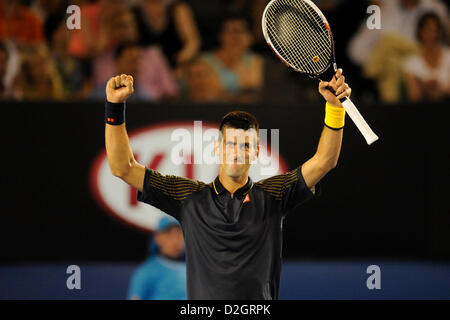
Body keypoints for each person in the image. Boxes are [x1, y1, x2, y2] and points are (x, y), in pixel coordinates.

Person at [104, 68, 351, 299]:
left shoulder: (274, 195)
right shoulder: (188, 197)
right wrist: (114, 106)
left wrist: (334, 107)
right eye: (230, 144)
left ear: (255, 152)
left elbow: (324, 162)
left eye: (245, 145)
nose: (236, 152)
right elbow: (122, 167)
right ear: (217, 149)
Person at [200, 13, 264, 103]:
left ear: (250, 37)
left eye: (241, 31)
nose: (236, 37)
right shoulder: (203, 62)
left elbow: (255, 89)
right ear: (220, 36)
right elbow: (209, 95)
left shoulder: (257, 61)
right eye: (230, 31)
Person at [127, 215, 186, 300]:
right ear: (157, 238)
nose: (175, 240)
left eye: (179, 234)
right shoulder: (148, 270)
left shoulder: (195, 269)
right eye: (168, 234)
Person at [132, 0, 201, 69]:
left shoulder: (177, 9)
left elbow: (192, 42)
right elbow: (131, 47)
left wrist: (181, 60)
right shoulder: (133, 13)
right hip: (146, 68)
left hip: (177, 67)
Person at [402, 12, 450, 102]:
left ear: (440, 33)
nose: (431, 35)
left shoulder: (448, 56)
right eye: (427, 30)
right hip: (422, 111)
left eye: (435, 30)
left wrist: (438, 88)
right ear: (420, 32)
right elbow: (413, 95)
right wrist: (424, 87)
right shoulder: (410, 62)